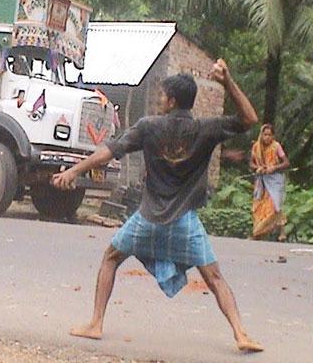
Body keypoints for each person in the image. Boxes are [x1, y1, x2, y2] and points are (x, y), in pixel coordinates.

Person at [52, 59, 264, 352]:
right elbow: (250, 118)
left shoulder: (149, 126)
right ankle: (240, 333)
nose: (161, 99)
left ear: (172, 100)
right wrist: (227, 81)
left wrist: (73, 171)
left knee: (111, 258)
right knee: (214, 277)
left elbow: (107, 153)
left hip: (148, 218)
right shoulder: (207, 128)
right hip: (185, 222)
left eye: (164, 95)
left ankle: (96, 324)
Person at [249, 124, 290, 241]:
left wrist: (274, 167)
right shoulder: (256, 147)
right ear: (261, 135)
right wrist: (257, 167)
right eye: (265, 135)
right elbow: (251, 163)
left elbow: (286, 163)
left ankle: (282, 232)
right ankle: (259, 232)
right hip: (262, 180)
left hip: (275, 180)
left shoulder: (276, 147)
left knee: (275, 206)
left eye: (269, 135)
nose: (267, 137)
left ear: (273, 136)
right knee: (260, 206)